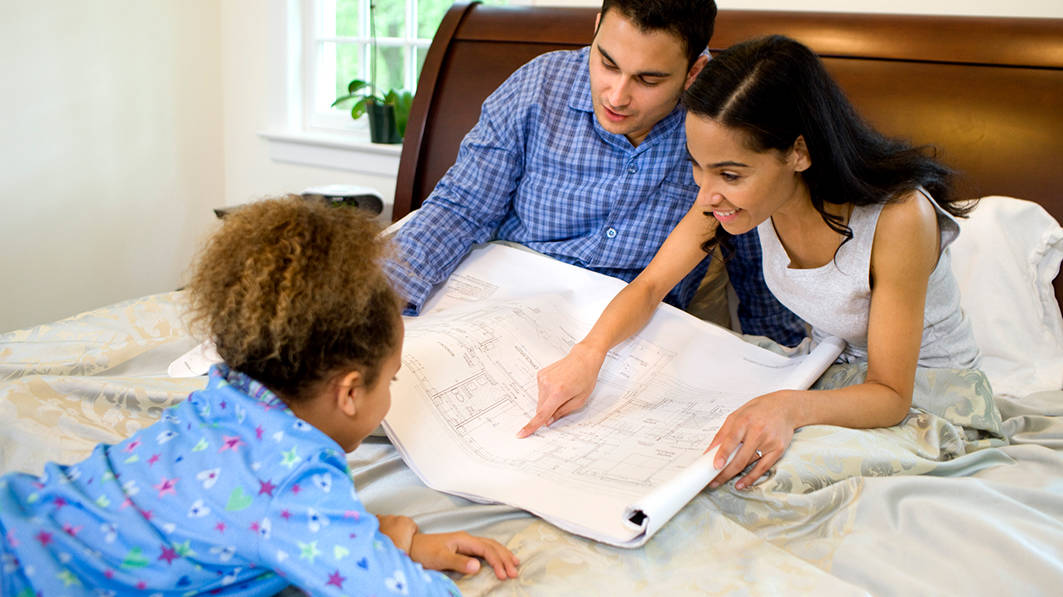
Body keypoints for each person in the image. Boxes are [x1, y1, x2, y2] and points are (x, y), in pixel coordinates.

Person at [520, 35, 985, 492]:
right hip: (825, 376)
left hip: (927, 399)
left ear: (798, 153)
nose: (706, 195)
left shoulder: (901, 218)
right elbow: (650, 286)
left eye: (730, 174)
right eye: (698, 166)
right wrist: (588, 354)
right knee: (701, 459)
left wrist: (785, 407)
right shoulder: (739, 201)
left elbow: (890, 396)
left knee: (756, 478)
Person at [0, 197, 519, 595]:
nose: (391, 395)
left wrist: (404, 541)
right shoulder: (293, 480)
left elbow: (276, 520)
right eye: (392, 380)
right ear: (349, 393)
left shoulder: (222, 399)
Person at [385, 0, 805, 347]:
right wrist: (374, 306)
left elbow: (756, 259)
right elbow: (460, 209)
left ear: (693, 70)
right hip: (508, 305)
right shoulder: (537, 87)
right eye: (606, 63)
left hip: (634, 334)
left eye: (648, 80)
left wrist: (781, 359)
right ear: (597, 27)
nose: (617, 96)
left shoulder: (726, 118)